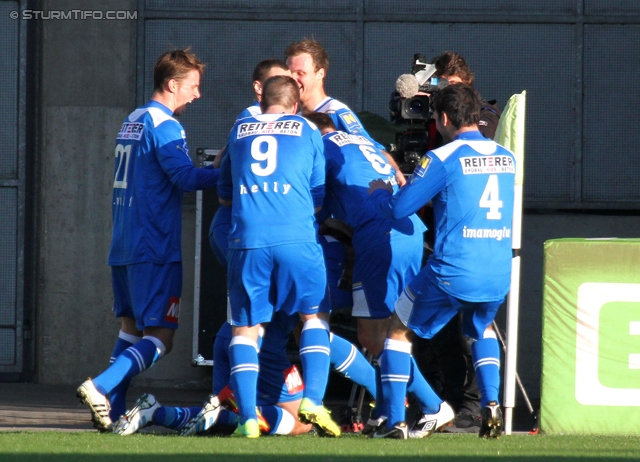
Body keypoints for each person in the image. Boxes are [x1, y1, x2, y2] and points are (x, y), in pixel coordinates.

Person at [76, 49, 220, 432]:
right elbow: (186, 179)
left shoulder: (133, 119)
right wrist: (233, 174)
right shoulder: (165, 124)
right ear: (173, 84)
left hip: (124, 243)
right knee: (162, 337)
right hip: (153, 245)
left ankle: (113, 412)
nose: (197, 95)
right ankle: (100, 387)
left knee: (130, 329)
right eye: (193, 86)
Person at [368, 84, 515, 439]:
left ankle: (393, 421)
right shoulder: (507, 157)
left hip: (453, 270)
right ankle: (491, 406)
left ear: (445, 118)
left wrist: (382, 193)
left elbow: (401, 209)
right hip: (497, 271)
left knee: (398, 331)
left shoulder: (443, 157)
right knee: (483, 328)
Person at [217, 75, 340, 438]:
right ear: (297, 104)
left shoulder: (239, 129)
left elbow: (224, 193)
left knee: (245, 328)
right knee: (314, 315)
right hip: (297, 238)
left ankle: (249, 419)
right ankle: (314, 401)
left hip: (247, 240)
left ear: (261, 102)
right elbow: (318, 194)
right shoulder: (307, 129)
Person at [414, 51, 503, 433]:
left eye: (447, 90)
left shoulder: (483, 117)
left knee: (405, 331)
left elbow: (466, 157)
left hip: (466, 247)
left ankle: (467, 405)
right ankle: (455, 400)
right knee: (451, 332)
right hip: (444, 233)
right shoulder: (438, 121)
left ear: (464, 84)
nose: (440, 100)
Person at [285, 38, 406, 187]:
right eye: (289, 73)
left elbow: (372, 149)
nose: (292, 79)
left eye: (300, 73)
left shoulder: (335, 112)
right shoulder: (295, 119)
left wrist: (396, 172)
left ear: (320, 73)